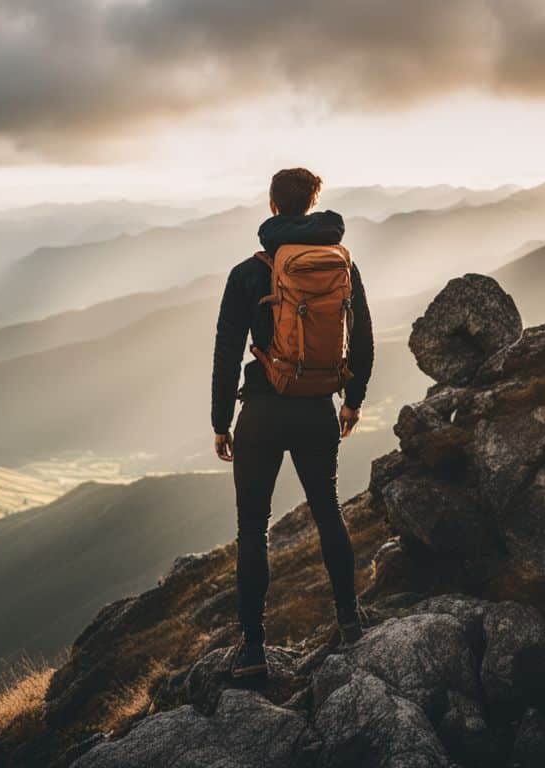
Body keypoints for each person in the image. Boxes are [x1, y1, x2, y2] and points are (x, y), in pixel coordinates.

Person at [211, 167, 374, 677]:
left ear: (273, 205)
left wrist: (221, 421)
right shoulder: (342, 264)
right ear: (312, 203)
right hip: (316, 410)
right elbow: (363, 338)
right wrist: (352, 400)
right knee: (328, 511)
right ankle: (349, 621)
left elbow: (225, 349)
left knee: (252, 528)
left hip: (261, 412)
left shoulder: (248, 273)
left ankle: (254, 649)